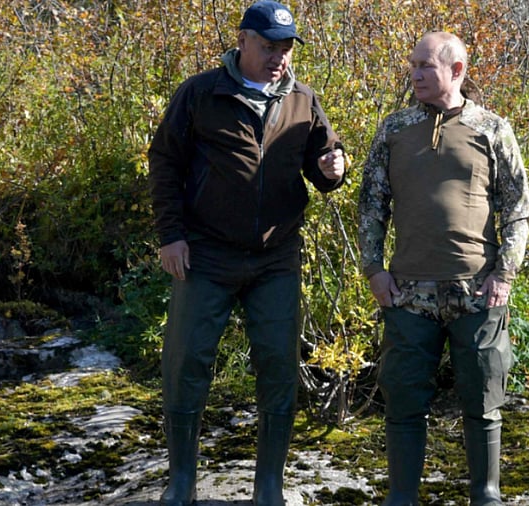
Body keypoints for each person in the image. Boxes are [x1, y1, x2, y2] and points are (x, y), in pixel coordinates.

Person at [147, 1, 346, 505]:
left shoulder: (303, 99)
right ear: (242, 41)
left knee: (279, 366)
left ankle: (269, 486)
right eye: (268, 46)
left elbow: (324, 165)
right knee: (186, 362)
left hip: (275, 258)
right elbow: (165, 163)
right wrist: (170, 235)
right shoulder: (200, 93)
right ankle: (182, 483)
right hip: (205, 254)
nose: (278, 56)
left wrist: (333, 170)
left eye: (285, 47)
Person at [358, 31, 529, 506]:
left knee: (483, 399)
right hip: (407, 292)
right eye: (412, 65)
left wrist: (505, 275)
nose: (414, 73)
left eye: (425, 66)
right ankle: (402, 496)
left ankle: (486, 495)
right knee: (404, 400)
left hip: (477, 291)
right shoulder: (393, 129)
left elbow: (517, 209)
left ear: (456, 70)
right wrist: (374, 270)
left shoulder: (492, 128)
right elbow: (371, 204)